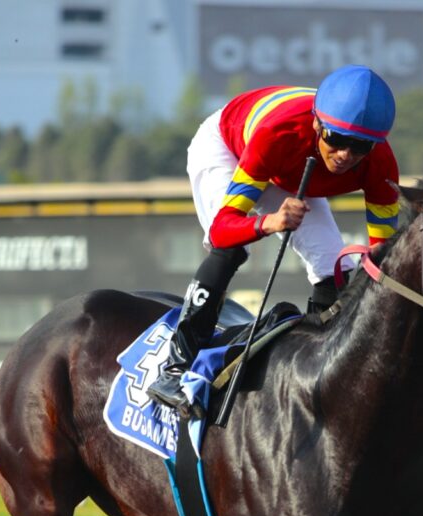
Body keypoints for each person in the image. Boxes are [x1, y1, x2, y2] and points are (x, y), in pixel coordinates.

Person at [147, 64, 401, 411]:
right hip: (230, 147)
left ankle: (320, 371)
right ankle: (174, 368)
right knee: (231, 248)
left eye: (361, 147)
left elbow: (382, 254)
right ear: (317, 124)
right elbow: (223, 228)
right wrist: (270, 222)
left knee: (333, 266)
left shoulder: (382, 164)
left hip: (295, 167)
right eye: (337, 140)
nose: (346, 156)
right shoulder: (277, 134)